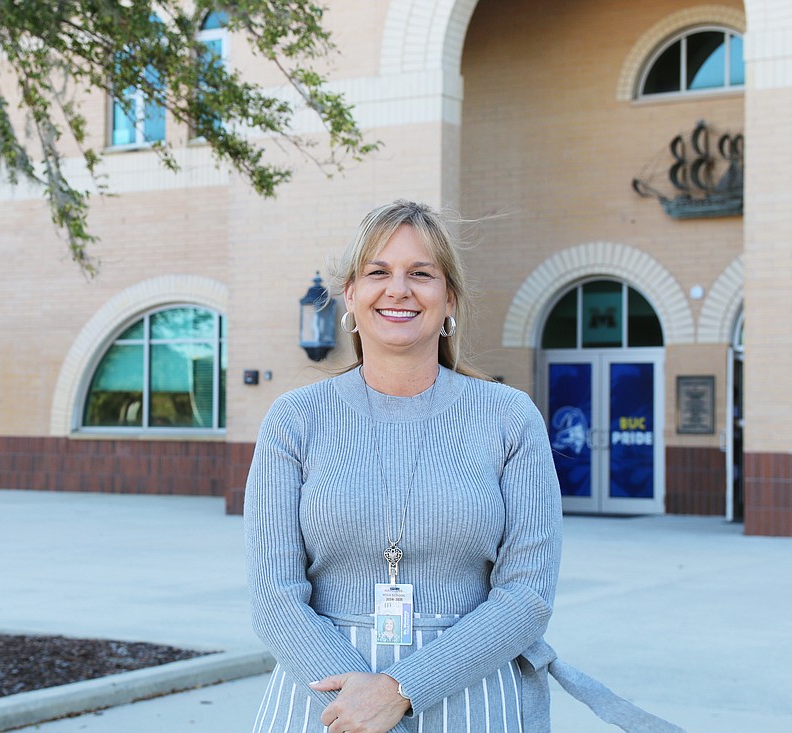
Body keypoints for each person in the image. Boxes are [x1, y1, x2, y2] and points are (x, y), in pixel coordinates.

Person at [244, 200, 683, 733]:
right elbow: (274, 594)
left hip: (471, 701)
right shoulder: (294, 420)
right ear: (351, 295)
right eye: (378, 272)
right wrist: (360, 701)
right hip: (322, 703)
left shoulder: (509, 418)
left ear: (448, 296)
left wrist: (401, 692)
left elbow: (527, 597)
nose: (399, 289)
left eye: (421, 274)